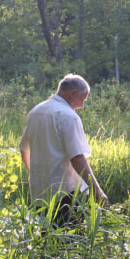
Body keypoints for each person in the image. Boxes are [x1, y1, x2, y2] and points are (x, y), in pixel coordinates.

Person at [19, 74, 108, 228]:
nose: (82, 105)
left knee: (47, 237)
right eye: (82, 99)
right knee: (69, 238)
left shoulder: (35, 112)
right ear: (73, 93)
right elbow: (77, 158)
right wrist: (97, 191)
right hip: (65, 194)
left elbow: (24, 149)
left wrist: (34, 175)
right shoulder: (68, 116)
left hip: (40, 192)